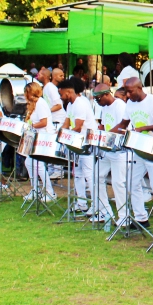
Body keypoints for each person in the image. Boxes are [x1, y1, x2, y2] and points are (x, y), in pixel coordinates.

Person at [114, 78, 153, 235]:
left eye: (131, 91)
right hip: (139, 148)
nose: (128, 95)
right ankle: (141, 218)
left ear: (140, 88)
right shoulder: (130, 104)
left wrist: (143, 128)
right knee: (132, 181)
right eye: (127, 92)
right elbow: (123, 123)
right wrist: (107, 135)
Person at [94, 84, 144, 227]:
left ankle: (124, 216)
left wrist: (107, 135)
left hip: (120, 151)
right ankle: (105, 212)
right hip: (107, 149)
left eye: (98, 98)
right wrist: (98, 134)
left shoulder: (120, 106)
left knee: (118, 183)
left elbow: (124, 128)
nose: (97, 101)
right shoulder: (104, 108)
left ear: (106, 94)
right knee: (96, 176)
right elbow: (103, 125)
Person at [59, 77, 101, 216]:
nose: (60, 96)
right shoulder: (70, 104)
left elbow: (77, 127)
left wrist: (65, 136)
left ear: (69, 91)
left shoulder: (80, 103)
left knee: (89, 174)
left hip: (87, 142)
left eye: (61, 93)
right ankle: (81, 203)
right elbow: (67, 122)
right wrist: (58, 133)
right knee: (77, 174)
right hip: (78, 143)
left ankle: (97, 205)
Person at [23, 82, 57, 203]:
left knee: (39, 166)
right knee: (28, 162)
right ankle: (35, 189)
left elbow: (44, 122)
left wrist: (31, 125)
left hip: (45, 136)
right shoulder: (33, 104)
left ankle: (50, 192)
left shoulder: (41, 103)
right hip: (37, 136)